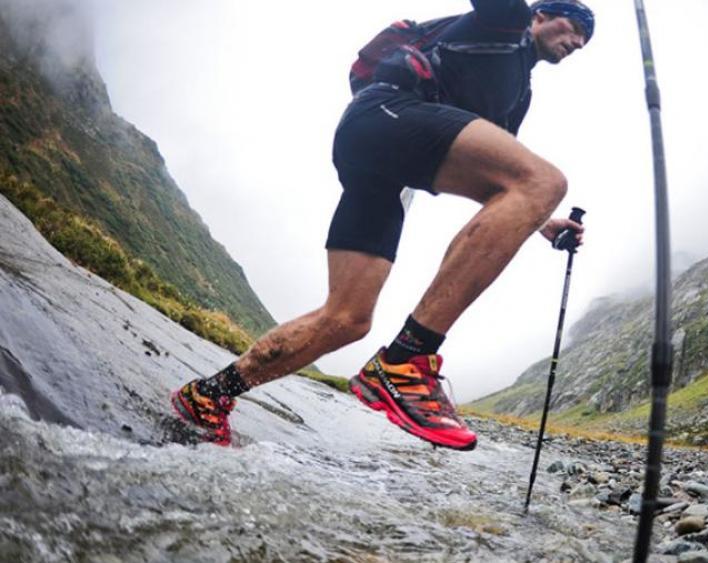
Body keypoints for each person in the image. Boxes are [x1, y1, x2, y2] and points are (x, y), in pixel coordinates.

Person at [170, 0, 593, 450]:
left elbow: (504, 182)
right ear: (541, 14)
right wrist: (538, 195)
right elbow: (528, 181)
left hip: (383, 168)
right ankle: (406, 360)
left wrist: (543, 222)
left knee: (346, 319)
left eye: (585, 42)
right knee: (548, 180)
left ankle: (207, 396)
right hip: (384, 115)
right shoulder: (506, 20)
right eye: (576, 27)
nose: (578, 42)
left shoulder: (518, 95)